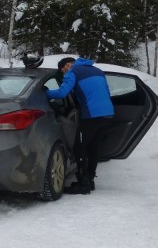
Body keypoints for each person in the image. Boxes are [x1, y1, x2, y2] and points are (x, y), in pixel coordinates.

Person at [46, 57, 114, 194]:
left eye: (63, 70)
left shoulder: (73, 72)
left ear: (67, 65)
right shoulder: (98, 70)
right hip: (108, 114)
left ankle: (83, 184)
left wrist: (45, 92)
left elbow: (62, 93)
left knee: (79, 147)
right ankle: (90, 180)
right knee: (93, 147)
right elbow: (106, 92)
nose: (64, 73)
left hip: (92, 115)